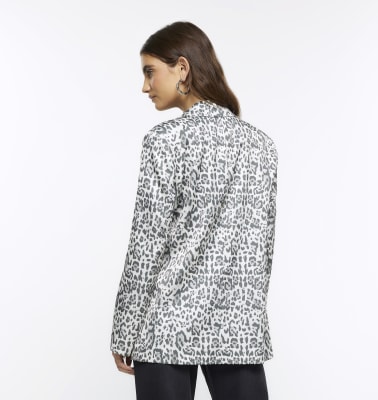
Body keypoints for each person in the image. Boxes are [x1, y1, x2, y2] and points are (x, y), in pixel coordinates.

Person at [110, 21, 278, 400]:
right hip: (237, 328)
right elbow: (261, 252)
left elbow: (147, 246)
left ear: (182, 68)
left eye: (150, 72)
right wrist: (247, 316)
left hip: (165, 328)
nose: (145, 86)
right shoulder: (262, 147)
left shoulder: (164, 141)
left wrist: (125, 330)